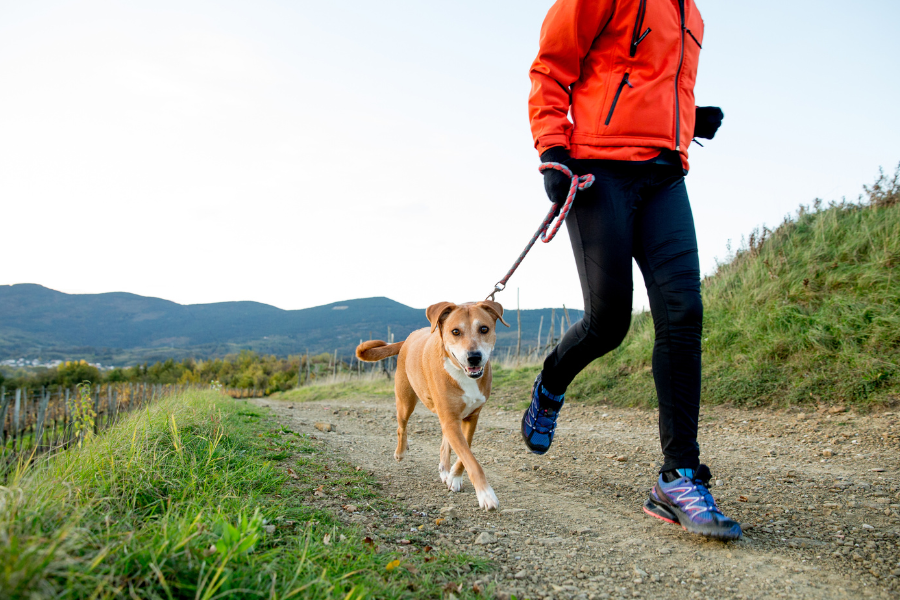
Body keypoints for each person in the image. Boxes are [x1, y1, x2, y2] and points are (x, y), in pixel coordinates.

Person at [520, 0, 741, 540]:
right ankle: (551, 384)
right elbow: (552, 66)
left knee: (683, 313)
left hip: (665, 174)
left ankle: (678, 476)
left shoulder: (691, 13)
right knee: (609, 322)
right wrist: (553, 147)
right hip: (600, 168)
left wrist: (687, 118)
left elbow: (648, 78)